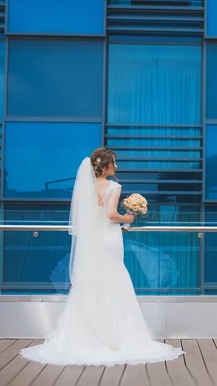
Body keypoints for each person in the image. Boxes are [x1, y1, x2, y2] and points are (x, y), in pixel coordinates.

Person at [20, 148, 183, 366]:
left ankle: (87, 331)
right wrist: (127, 217)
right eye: (113, 163)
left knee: (91, 280)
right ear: (104, 166)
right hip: (109, 238)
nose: (116, 167)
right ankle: (116, 336)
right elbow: (110, 215)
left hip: (92, 240)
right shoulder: (115, 187)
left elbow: (83, 216)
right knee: (115, 277)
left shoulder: (86, 188)